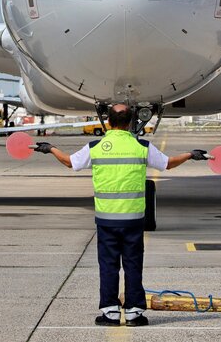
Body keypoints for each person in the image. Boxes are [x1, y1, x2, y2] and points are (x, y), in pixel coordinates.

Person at [32, 103, 208, 327]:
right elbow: (168, 164)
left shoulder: (96, 146)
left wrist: (50, 149)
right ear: (129, 122)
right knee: (133, 265)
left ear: (108, 122)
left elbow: (70, 162)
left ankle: (110, 313)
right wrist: (190, 155)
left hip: (106, 220)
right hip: (134, 220)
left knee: (108, 266)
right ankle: (134, 313)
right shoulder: (141, 146)